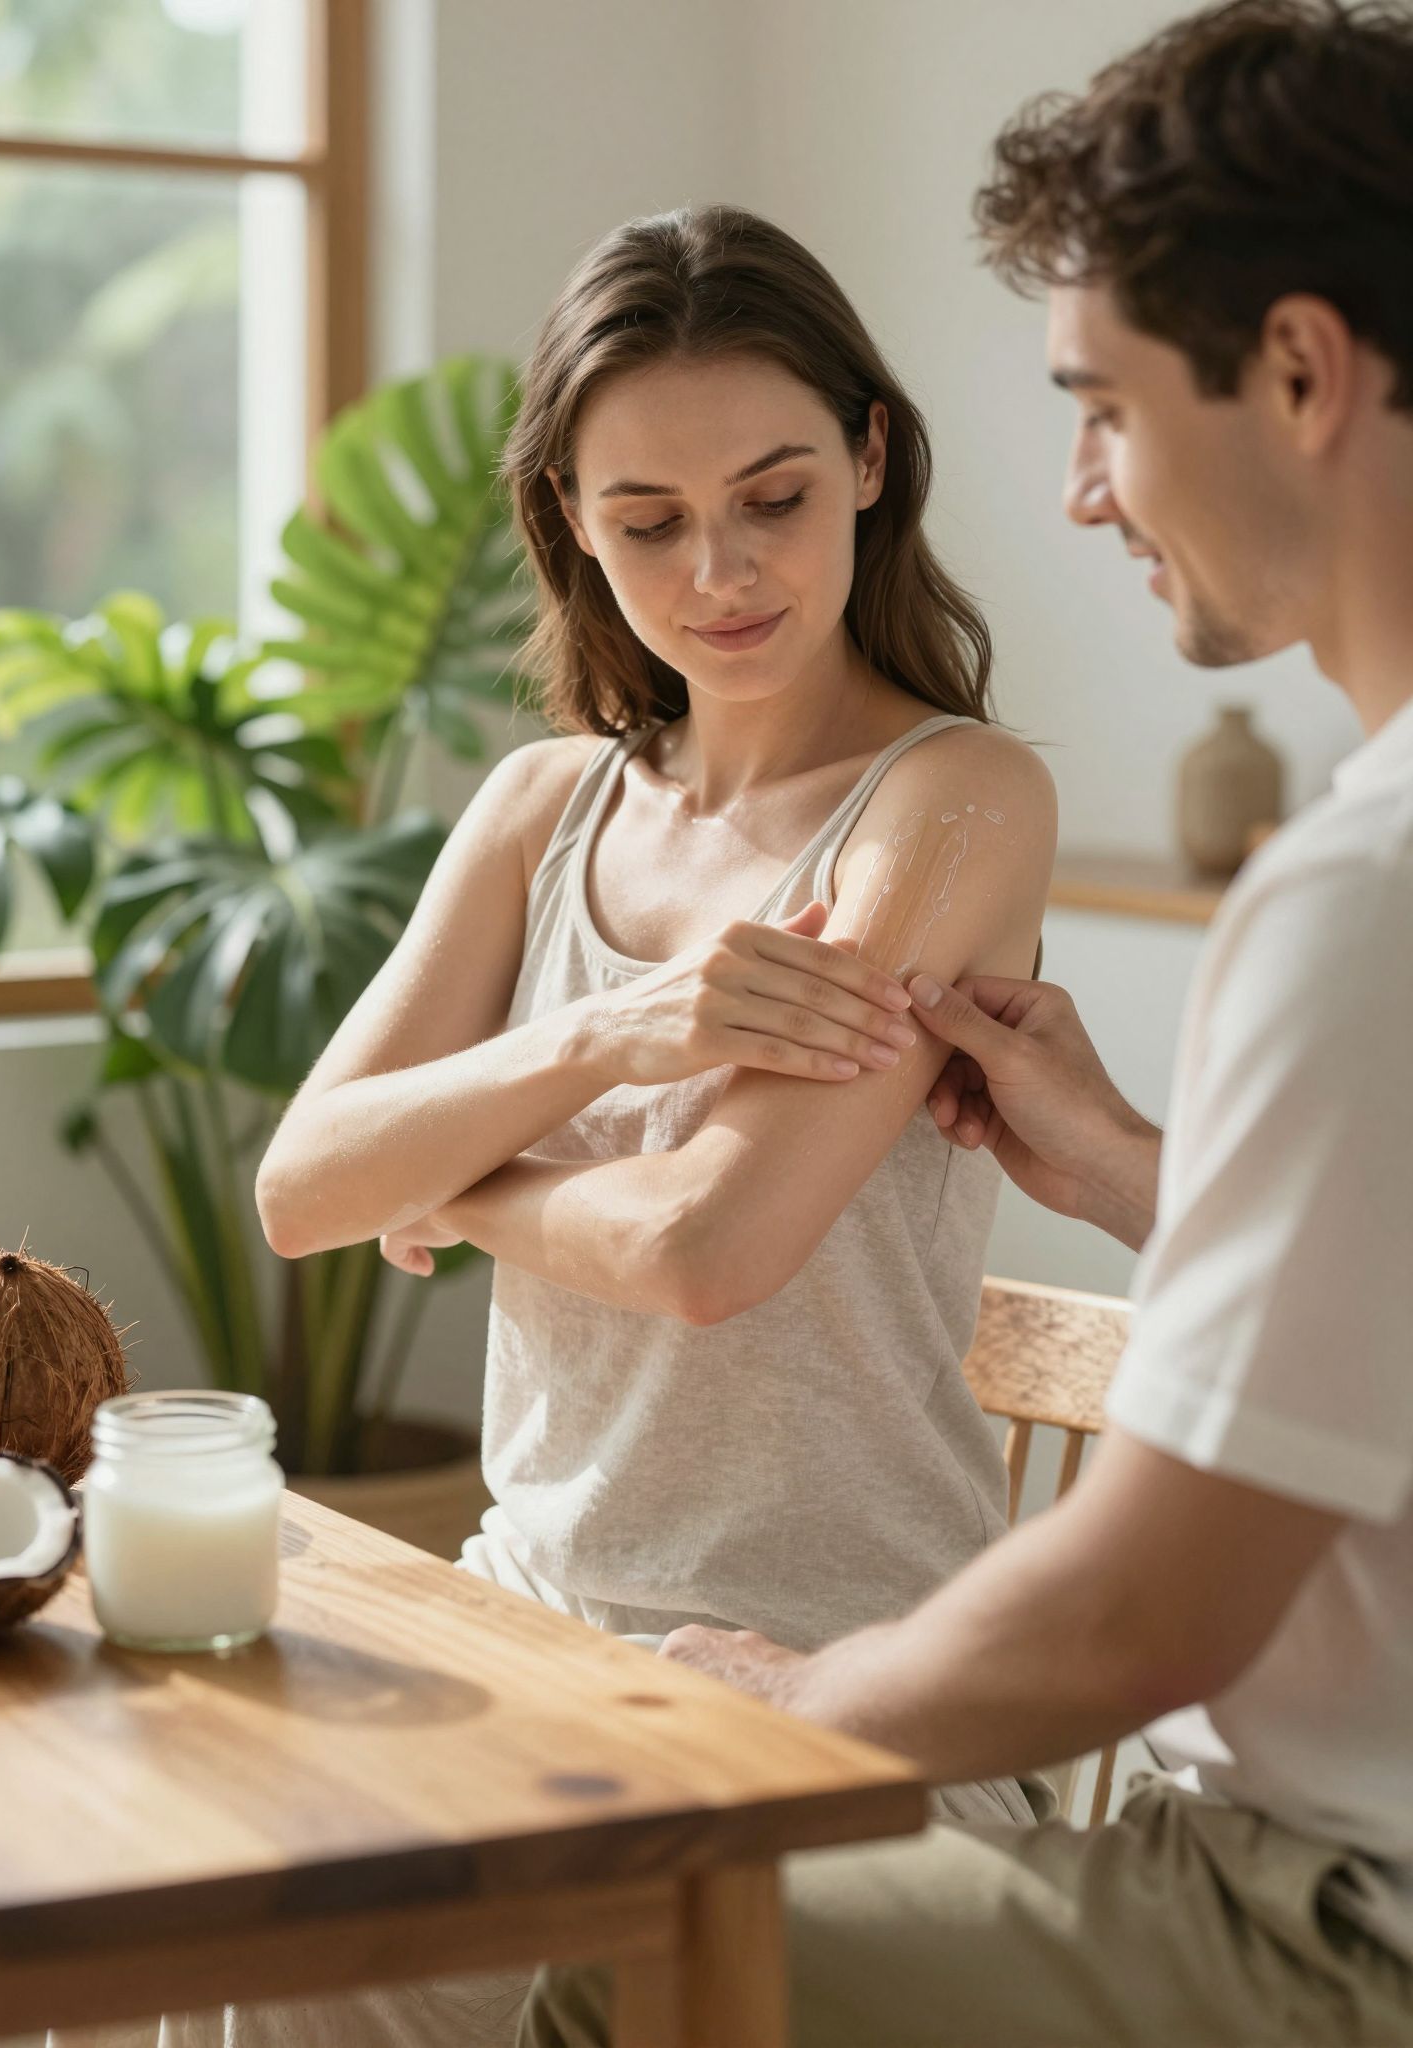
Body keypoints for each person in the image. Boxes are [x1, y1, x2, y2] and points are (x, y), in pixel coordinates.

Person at [521, 3, 1413, 2044]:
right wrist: (1138, 1177)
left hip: (1339, 1916)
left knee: (639, 1957)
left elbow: (1134, 1614)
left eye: (1102, 408)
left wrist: (792, 1697)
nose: (1086, 492)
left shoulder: (1357, 895)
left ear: (1298, 371)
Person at [236, 206, 1055, 2047]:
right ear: (570, 522)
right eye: (650, 521)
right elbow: (302, 1186)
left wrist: (459, 1180)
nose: (720, 573)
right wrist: (604, 1033)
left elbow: (706, 1249)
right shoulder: (541, 809)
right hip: (518, 1630)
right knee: (242, 1917)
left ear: (868, 457)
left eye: (773, 497)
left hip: (845, 1679)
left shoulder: (954, 800)